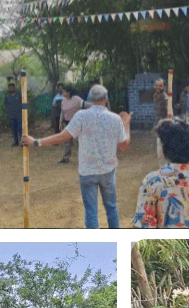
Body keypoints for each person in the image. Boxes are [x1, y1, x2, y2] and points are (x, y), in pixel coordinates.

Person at [21, 85, 131, 228]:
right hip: (108, 172)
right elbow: (124, 146)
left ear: (90, 99)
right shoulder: (115, 119)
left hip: (87, 172)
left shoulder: (81, 116)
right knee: (111, 208)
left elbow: (62, 137)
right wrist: (126, 125)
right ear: (105, 99)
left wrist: (36, 142)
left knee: (91, 212)